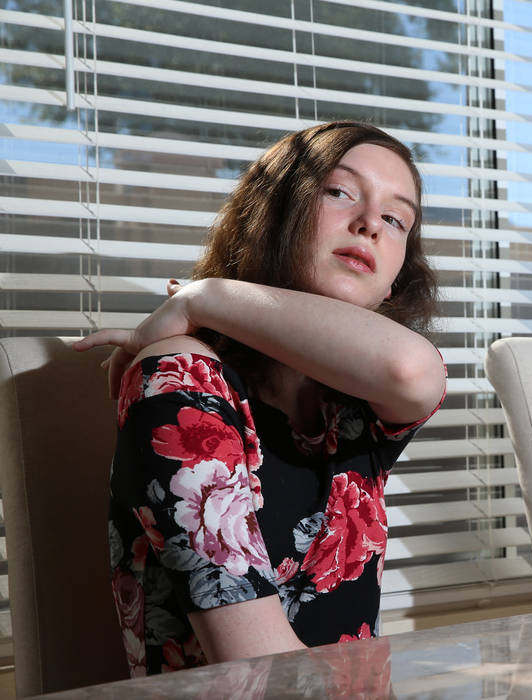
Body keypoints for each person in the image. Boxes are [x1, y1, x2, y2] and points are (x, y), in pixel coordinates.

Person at [73, 121, 447, 676]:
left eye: (396, 220)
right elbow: (266, 673)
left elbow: (413, 370)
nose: (370, 224)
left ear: (392, 281)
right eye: (340, 191)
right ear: (274, 215)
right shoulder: (179, 376)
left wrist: (203, 297)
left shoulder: (353, 405)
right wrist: (203, 306)